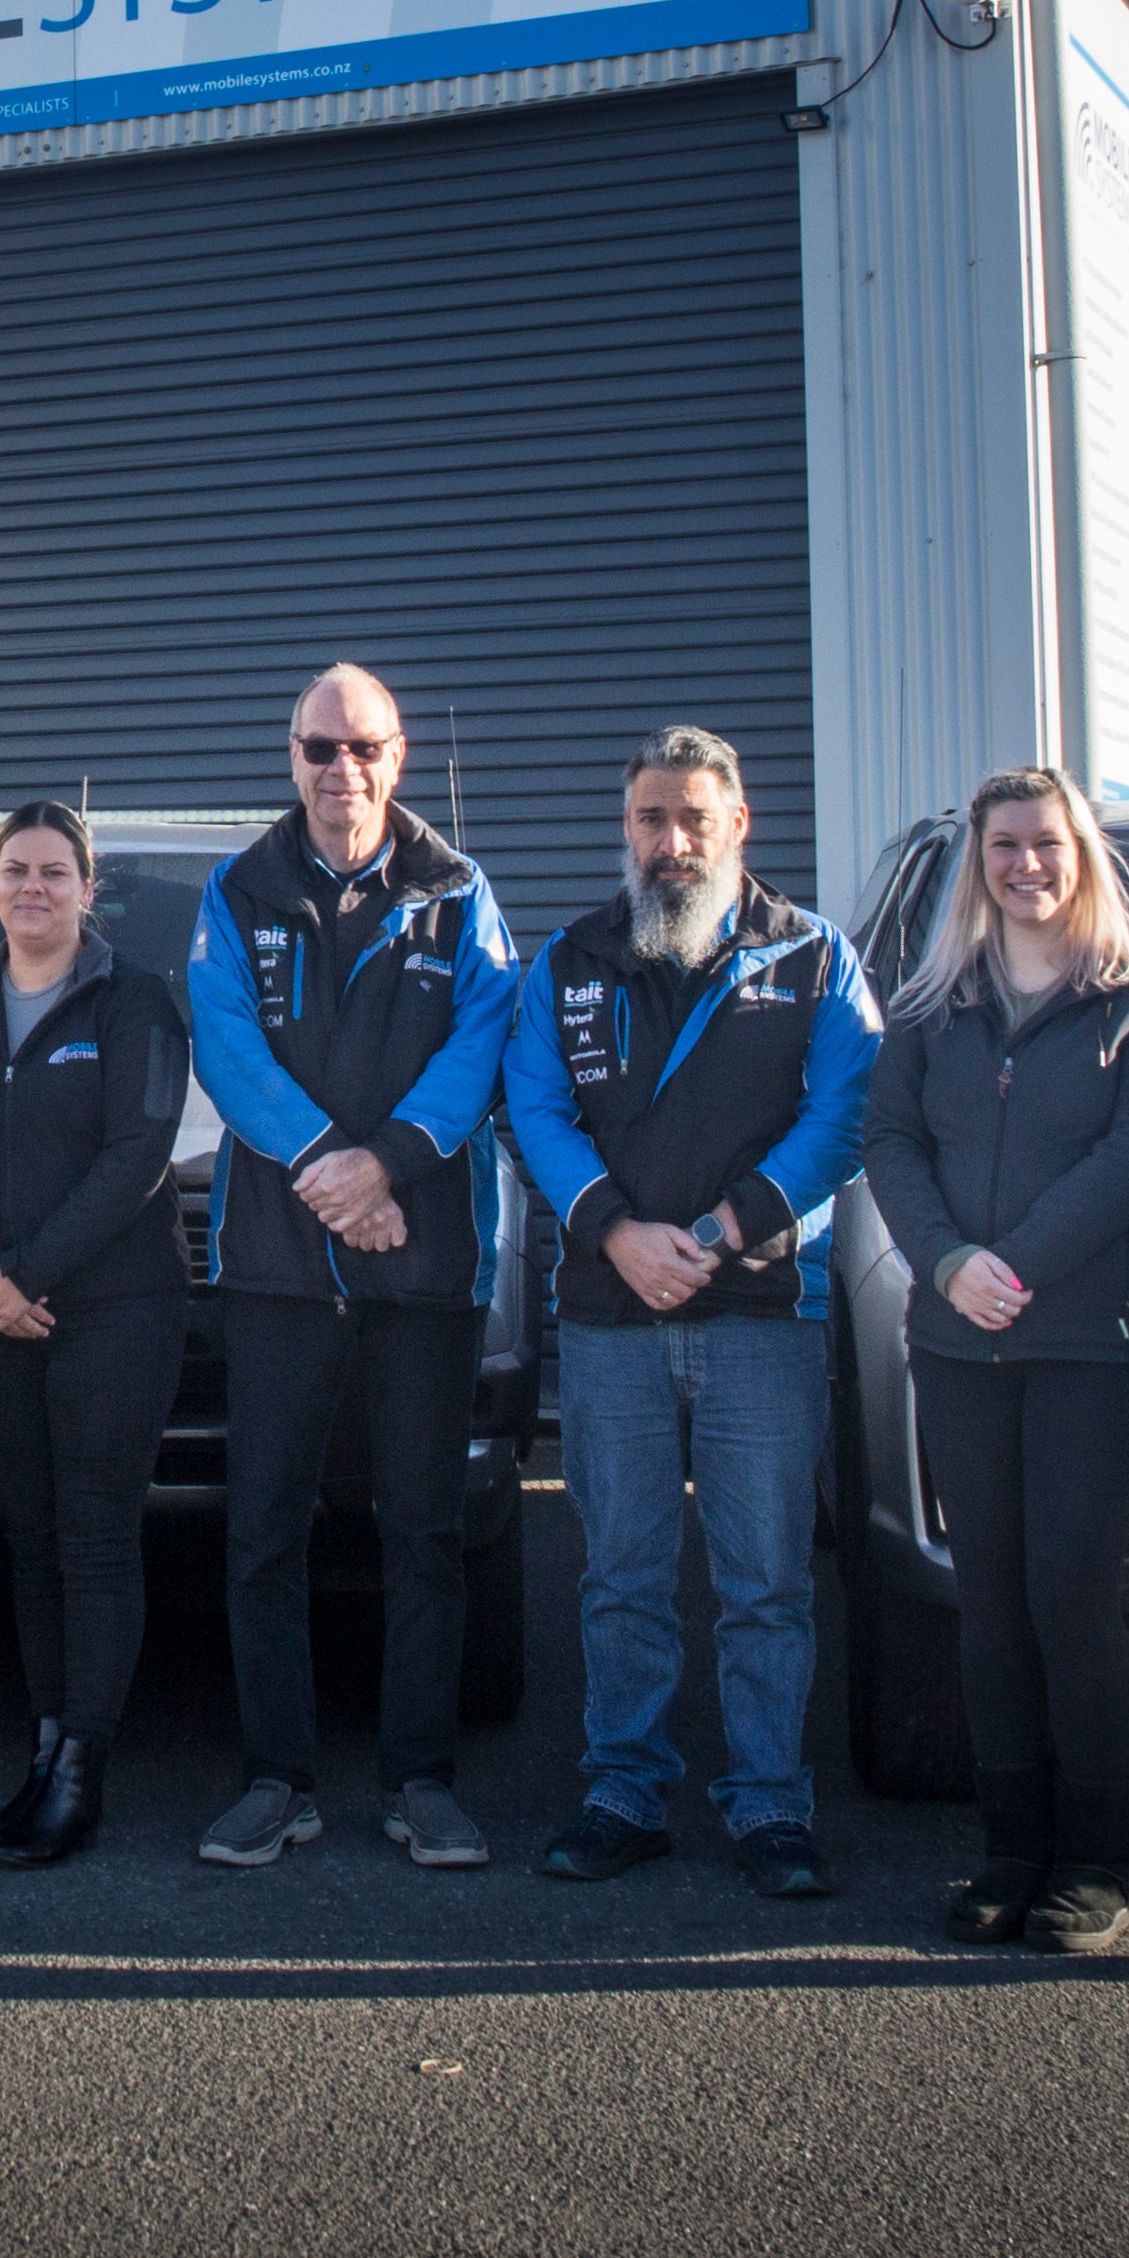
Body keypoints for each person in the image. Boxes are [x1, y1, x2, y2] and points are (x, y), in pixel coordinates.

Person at [500, 726, 880, 1899]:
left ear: (738, 824)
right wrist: (617, 1231)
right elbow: (534, 1109)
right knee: (620, 1575)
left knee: (765, 1584)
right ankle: (623, 1791)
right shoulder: (569, 961)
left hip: (759, 1311)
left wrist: (719, 1232)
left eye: (693, 820)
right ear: (626, 828)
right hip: (608, 1315)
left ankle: (770, 1804)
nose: (671, 842)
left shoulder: (812, 957)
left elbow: (843, 1117)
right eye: (650, 820)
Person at [858, 768, 1129, 1950]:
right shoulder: (931, 1001)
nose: (1025, 865)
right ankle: (1009, 1853)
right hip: (959, 1340)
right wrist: (950, 1263)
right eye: (1003, 846)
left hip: (1090, 1345)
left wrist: (1017, 1263)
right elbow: (889, 1142)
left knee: (1071, 1594)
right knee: (989, 1603)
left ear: (1081, 852)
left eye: (1045, 843)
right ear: (979, 861)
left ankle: (1095, 1863)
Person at [183, 663, 520, 1873]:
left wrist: (385, 1168)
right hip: (278, 1270)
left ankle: (420, 1782)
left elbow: (484, 1038)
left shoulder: (457, 890)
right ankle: (276, 1781)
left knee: (423, 1533)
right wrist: (330, 1165)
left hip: (423, 1270)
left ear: (397, 755)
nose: (342, 770)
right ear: (291, 758)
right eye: (319, 748)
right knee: (262, 1535)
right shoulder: (238, 888)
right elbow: (224, 1043)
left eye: (362, 747)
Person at [0, 801, 192, 1871]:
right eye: (16, 870)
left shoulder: (136, 1000)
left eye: (54, 871)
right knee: (28, 1538)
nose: (34, 886)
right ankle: (40, 1751)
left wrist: (22, 1273)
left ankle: (81, 1772)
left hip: (113, 1307)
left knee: (94, 1536)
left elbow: (137, 1155)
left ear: (86, 889)